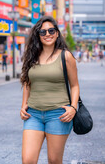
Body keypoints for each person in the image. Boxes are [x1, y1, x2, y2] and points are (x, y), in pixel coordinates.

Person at [20, 16, 80, 164]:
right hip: (33, 114)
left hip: (58, 115)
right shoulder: (31, 56)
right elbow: (28, 82)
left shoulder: (65, 56)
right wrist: (23, 105)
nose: (47, 34)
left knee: (54, 160)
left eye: (51, 30)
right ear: (38, 35)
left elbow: (75, 85)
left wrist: (73, 107)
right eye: (43, 32)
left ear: (57, 33)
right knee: (27, 160)